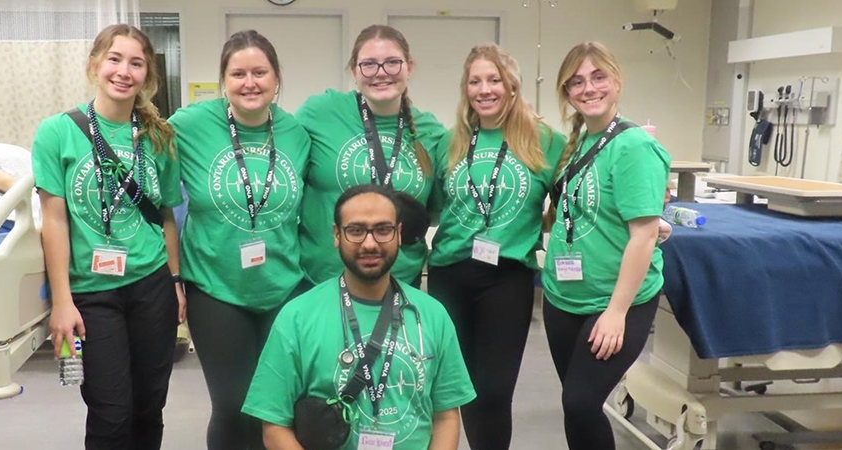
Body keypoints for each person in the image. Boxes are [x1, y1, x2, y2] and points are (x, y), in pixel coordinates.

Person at [31, 23, 185, 450]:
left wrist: (175, 281)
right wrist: (61, 301)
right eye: (115, 59)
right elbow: (54, 221)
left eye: (136, 63)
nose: (124, 71)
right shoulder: (57, 132)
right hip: (92, 292)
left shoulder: (159, 137)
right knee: (111, 412)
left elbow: (166, 216)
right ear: (95, 65)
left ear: (147, 75)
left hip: (152, 284)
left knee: (149, 406)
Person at [242, 183, 475, 450]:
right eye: (356, 230)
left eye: (383, 230)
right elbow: (274, 426)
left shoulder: (433, 314)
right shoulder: (297, 317)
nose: (370, 243)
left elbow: (445, 416)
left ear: (399, 234)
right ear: (336, 235)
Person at [167, 30, 311, 450]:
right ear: (223, 80)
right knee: (233, 406)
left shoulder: (296, 133)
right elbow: (147, 166)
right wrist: (172, 277)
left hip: (284, 288)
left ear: (276, 78)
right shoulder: (190, 125)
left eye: (260, 72)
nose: (250, 83)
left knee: (278, 406)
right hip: (216, 288)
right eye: (238, 74)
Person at [426, 43, 567, 450]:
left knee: (494, 391)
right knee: (454, 387)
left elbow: (571, 200)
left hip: (507, 278)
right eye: (475, 81)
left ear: (512, 86)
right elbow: (434, 205)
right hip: (449, 273)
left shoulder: (545, 141)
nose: (484, 89)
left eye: (494, 80)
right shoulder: (450, 141)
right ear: (465, 89)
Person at [541, 41, 671, 450]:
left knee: (581, 402)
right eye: (577, 82)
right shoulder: (578, 141)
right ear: (566, 92)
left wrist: (616, 313)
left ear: (616, 81)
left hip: (613, 301)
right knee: (576, 405)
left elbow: (643, 236)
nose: (589, 88)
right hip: (563, 296)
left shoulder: (634, 146)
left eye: (598, 77)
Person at [295, 24, 446, 288]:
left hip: (400, 282)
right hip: (323, 282)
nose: (381, 72)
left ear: (409, 67)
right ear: (354, 71)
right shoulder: (320, 113)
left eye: (392, 62)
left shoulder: (430, 132)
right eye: (369, 64)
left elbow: (433, 210)